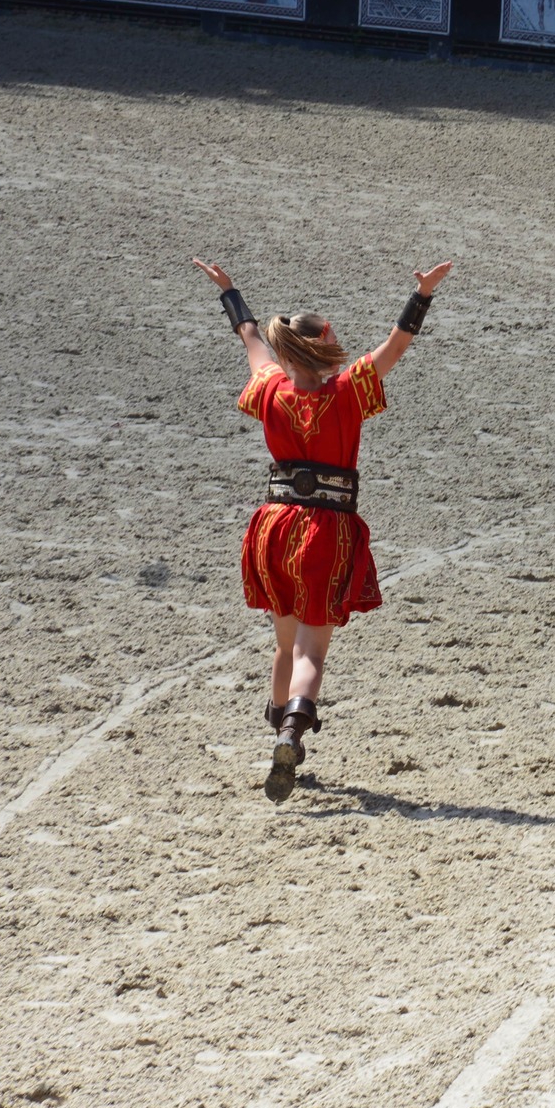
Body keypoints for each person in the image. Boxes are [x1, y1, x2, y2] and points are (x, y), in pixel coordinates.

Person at [194, 256, 453, 801]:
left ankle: (278, 726)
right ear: (323, 347)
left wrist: (231, 292)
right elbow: (397, 344)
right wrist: (423, 295)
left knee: (284, 644)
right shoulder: (347, 392)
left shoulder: (268, 387)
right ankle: (293, 728)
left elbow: (248, 336)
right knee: (313, 652)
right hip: (326, 531)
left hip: (273, 527)